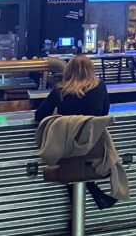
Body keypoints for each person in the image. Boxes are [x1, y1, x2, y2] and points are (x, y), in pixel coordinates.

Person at [34, 55, 116, 209]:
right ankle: (95, 193)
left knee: (72, 163)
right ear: (91, 70)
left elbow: (39, 115)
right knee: (78, 165)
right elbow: (104, 113)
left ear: (68, 71)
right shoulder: (100, 87)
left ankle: (76, 219)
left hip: (65, 150)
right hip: (94, 149)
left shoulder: (60, 90)